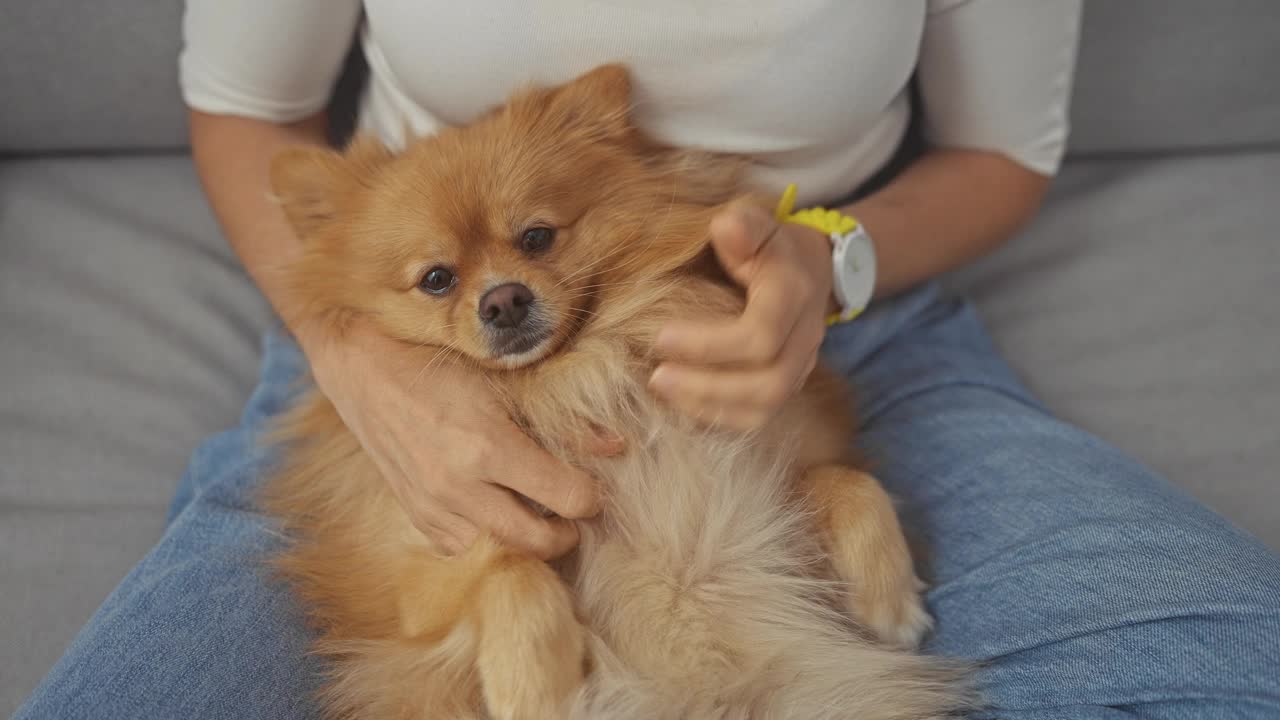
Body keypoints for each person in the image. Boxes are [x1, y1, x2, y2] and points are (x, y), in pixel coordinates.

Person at [16, 2, 1280, 718]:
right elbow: (247, 108)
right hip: (375, 369)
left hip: (852, 313)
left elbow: (1004, 150)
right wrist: (367, 365)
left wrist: (826, 260)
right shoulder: (403, 315)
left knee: (1232, 670)